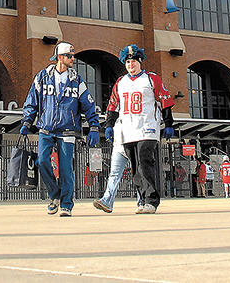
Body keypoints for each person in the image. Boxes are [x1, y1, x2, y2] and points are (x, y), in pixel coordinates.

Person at [20, 42, 101, 217]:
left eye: (73, 56)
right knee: (41, 161)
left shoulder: (77, 80)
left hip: (67, 130)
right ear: (60, 57)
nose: (73, 59)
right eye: (69, 56)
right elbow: (31, 101)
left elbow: (88, 104)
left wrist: (94, 126)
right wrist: (27, 121)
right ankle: (54, 194)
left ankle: (66, 204)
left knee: (65, 168)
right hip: (46, 128)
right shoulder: (42, 77)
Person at [100, 44, 174, 214]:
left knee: (144, 162)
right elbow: (113, 105)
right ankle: (142, 199)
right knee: (135, 166)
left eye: (133, 61)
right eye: (127, 62)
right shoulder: (121, 82)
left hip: (147, 128)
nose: (130, 65)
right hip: (128, 131)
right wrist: (109, 125)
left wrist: (169, 123)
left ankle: (151, 201)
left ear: (140, 62)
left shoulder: (151, 78)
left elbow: (165, 101)